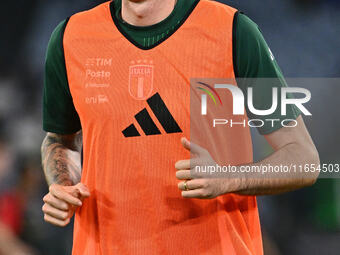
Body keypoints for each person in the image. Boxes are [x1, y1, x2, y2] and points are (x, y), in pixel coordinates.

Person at [41, 0, 319, 254]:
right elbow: (60, 139)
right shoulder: (71, 37)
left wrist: (230, 178)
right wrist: (63, 184)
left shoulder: (234, 31)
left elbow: (304, 159)